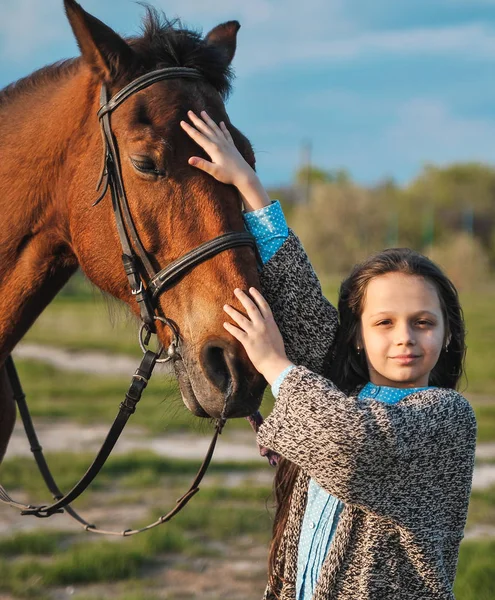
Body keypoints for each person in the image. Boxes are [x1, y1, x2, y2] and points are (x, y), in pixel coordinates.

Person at [180, 111, 477, 600]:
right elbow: (299, 301)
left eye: (423, 322)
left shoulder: (446, 418)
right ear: (357, 336)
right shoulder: (345, 393)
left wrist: (276, 364)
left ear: (447, 336)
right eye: (383, 322)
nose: (404, 337)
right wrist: (249, 187)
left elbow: (351, 445)